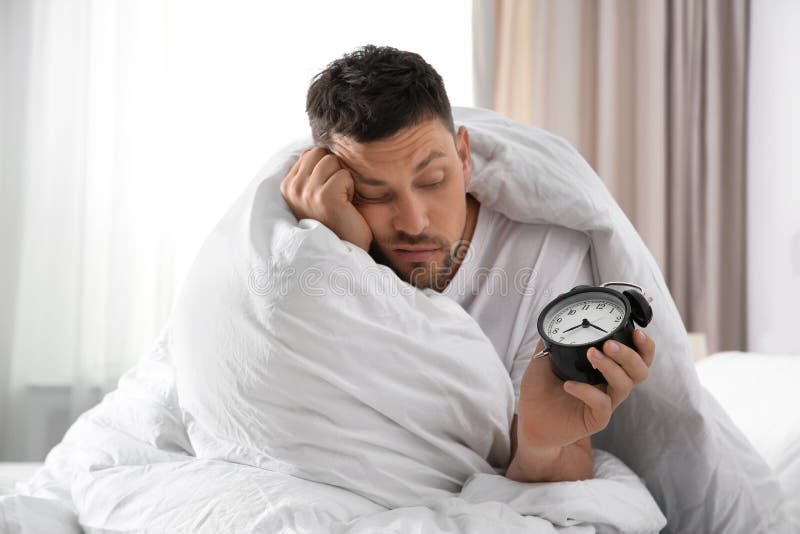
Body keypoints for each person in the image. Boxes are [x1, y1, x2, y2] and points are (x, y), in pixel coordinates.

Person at [280, 45, 655, 483]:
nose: (414, 222)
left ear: (462, 155)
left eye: (433, 181)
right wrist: (345, 255)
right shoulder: (320, 238)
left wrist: (537, 443)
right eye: (375, 194)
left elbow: (562, 463)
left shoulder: (544, 254)